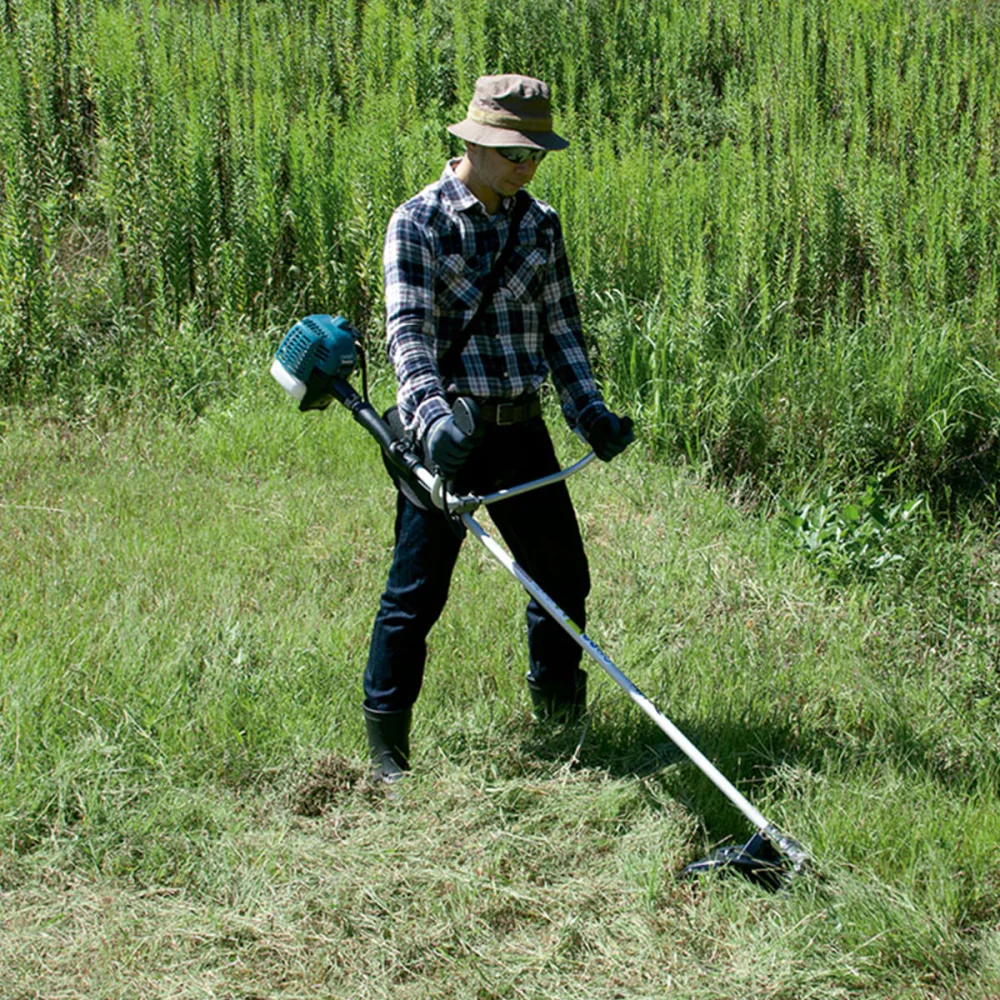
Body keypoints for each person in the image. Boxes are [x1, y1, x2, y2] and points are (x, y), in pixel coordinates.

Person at [363, 74, 634, 782]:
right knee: (415, 595)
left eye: (536, 154)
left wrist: (590, 412)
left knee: (563, 581)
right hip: (450, 433)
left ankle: (561, 722)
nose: (527, 166)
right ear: (474, 141)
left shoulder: (540, 224)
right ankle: (388, 757)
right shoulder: (417, 223)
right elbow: (408, 337)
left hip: (522, 430)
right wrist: (431, 423)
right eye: (515, 153)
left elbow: (562, 331)